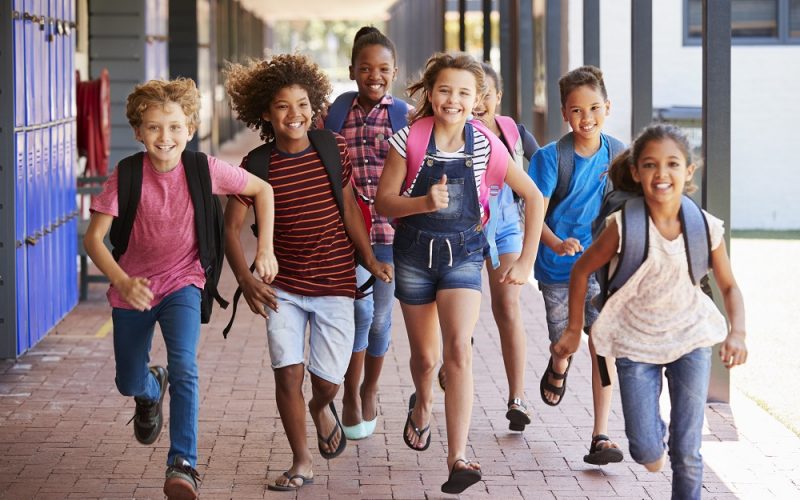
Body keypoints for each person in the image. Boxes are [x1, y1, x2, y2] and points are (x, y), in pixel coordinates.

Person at [83, 78, 277, 500]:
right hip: (132, 288)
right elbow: (93, 239)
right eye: (153, 128)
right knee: (127, 381)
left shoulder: (203, 168)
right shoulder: (128, 174)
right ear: (138, 131)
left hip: (183, 281)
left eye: (174, 127)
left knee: (186, 365)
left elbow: (262, 189)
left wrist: (266, 248)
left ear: (190, 128)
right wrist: (120, 280)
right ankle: (151, 386)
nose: (164, 137)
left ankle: (183, 463)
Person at [375, 52, 544, 494]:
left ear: (478, 99)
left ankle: (458, 458)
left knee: (459, 352)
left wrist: (526, 261)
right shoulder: (408, 140)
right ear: (430, 94)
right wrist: (423, 204)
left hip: (465, 254)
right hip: (413, 256)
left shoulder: (486, 144)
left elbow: (534, 195)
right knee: (427, 360)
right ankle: (423, 403)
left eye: (464, 93)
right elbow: (384, 203)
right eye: (445, 90)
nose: (454, 100)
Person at [223, 54, 393, 492]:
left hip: (335, 280)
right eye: (282, 106)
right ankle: (301, 461)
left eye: (301, 104)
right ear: (265, 111)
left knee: (327, 383)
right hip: (282, 287)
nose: (293, 114)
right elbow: (231, 229)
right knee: (287, 373)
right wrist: (245, 278)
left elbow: (351, 208)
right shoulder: (257, 165)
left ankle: (322, 407)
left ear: (313, 105)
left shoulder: (331, 147)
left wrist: (369, 259)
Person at [553, 123, 748, 499]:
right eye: (651, 165)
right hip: (635, 344)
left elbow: (728, 286)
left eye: (673, 164)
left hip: (690, 340)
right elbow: (581, 269)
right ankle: (651, 440)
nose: (662, 174)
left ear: (689, 171)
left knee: (687, 452)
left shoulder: (705, 227)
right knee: (645, 449)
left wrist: (737, 332)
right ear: (637, 172)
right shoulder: (624, 225)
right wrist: (573, 328)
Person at [527, 65, 626, 465]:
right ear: (564, 114)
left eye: (594, 108)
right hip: (557, 270)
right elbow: (533, 212)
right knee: (565, 343)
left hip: (601, 269)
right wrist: (555, 242)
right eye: (576, 111)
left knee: (602, 346)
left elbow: (627, 208)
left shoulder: (619, 155)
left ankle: (601, 435)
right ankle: (557, 364)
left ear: (607, 107)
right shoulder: (552, 158)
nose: (586, 119)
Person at [437, 62, 540, 432]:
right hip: (463, 228)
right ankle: (454, 356)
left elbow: (541, 175)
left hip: (505, 228)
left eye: (485, 95)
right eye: (471, 94)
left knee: (507, 305)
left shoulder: (514, 132)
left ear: (497, 97)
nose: (478, 102)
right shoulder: (455, 132)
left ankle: (517, 396)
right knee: (460, 310)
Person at [323, 26, 412, 441]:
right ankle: (350, 396)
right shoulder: (336, 115)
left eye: (382, 68)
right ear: (352, 70)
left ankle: (370, 386)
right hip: (351, 235)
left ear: (394, 71)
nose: (373, 75)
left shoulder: (407, 118)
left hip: (394, 237)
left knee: (379, 320)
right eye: (364, 68)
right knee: (359, 315)